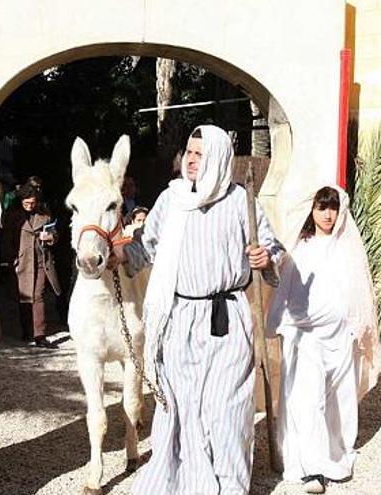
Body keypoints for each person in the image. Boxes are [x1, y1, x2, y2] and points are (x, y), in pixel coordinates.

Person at [117, 125, 285, 495]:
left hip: (228, 317)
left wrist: (265, 257)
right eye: (189, 152)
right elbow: (144, 247)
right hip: (179, 319)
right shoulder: (171, 199)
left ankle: (227, 483)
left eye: (200, 154)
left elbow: (275, 250)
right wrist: (117, 255)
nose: (191, 160)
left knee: (226, 407)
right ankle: (185, 480)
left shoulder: (242, 201)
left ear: (219, 158)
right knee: (182, 404)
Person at [267, 185, 379, 494]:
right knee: (307, 399)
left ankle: (335, 457)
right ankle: (311, 468)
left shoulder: (347, 250)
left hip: (340, 336)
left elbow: (359, 293)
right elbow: (284, 287)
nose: (327, 214)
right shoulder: (299, 247)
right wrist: (275, 322)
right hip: (304, 336)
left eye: (332, 208)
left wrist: (359, 327)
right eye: (321, 207)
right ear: (312, 211)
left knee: (339, 399)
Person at [1, 183, 61, 348]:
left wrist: (50, 237)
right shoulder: (12, 216)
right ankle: (27, 331)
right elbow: (6, 240)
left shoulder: (45, 214)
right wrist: (9, 259)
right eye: (26, 203)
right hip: (22, 260)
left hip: (42, 259)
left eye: (32, 203)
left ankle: (39, 334)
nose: (30, 206)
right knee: (24, 297)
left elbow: (55, 234)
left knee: (38, 295)